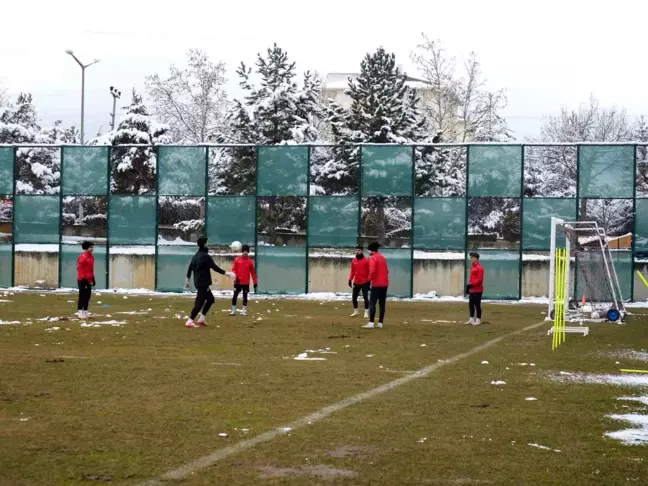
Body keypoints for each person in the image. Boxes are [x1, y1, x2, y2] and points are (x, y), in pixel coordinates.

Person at [184, 236, 236, 328]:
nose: (208, 244)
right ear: (204, 244)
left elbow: (190, 268)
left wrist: (187, 280)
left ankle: (202, 319)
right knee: (199, 303)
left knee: (210, 299)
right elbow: (215, 267)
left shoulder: (196, 255)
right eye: (207, 242)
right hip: (202, 283)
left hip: (199, 282)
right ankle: (190, 321)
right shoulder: (205, 256)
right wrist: (228, 274)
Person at [362, 242, 389, 329]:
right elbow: (387, 271)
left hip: (377, 284)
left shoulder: (372, 258)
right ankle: (380, 323)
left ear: (371, 250)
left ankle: (371, 323)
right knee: (382, 303)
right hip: (385, 284)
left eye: (368, 250)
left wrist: (368, 280)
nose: (367, 252)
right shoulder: (383, 258)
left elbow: (372, 270)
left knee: (372, 303)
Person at [230, 244, 257, 317]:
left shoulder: (250, 262)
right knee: (235, 296)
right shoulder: (237, 259)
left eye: (246, 251)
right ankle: (233, 311)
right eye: (244, 251)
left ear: (248, 252)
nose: (245, 252)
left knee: (245, 296)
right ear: (242, 251)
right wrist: (236, 277)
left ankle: (244, 311)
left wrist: (255, 282)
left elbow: (253, 273)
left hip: (246, 283)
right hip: (237, 282)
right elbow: (233, 269)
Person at [348, 245, 370, 318]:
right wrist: (350, 279)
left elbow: (369, 271)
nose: (357, 252)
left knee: (365, 297)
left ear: (361, 251)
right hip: (356, 282)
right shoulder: (354, 261)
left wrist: (369, 281)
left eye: (359, 250)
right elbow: (352, 271)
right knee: (354, 297)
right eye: (356, 250)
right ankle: (356, 311)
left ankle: (366, 312)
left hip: (365, 282)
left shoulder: (366, 260)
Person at [77, 241, 95, 319]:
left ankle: (85, 312)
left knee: (88, 296)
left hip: (89, 279)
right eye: (91, 247)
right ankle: (80, 312)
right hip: (82, 279)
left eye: (92, 247)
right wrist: (83, 278)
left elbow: (91, 269)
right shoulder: (83, 257)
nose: (92, 249)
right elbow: (79, 268)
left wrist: (93, 278)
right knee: (82, 296)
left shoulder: (91, 257)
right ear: (86, 248)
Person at [466, 252, 484, 325]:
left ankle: (478, 320)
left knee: (477, 305)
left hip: (478, 289)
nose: (471, 259)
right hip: (472, 289)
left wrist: (471, 284)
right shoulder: (473, 267)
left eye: (472, 257)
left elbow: (479, 280)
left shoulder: (480, 268)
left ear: (476, 258)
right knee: (471, 304)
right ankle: (471, 319)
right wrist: (469, 286)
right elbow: (472, 278)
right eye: (471, 257)